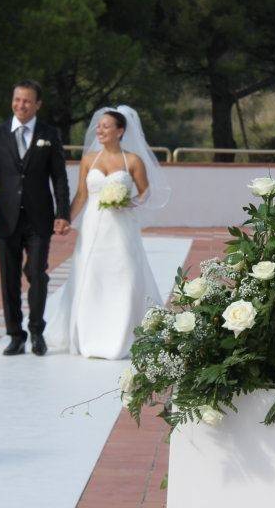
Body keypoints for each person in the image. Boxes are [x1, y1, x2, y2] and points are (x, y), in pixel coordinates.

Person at [44, 105, 171, 360]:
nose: (99, 130)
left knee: (125, 275)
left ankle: (122, 335)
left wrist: (129, 202)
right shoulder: (90, 160)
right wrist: (65, 219)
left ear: (120, 130)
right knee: (90, 275)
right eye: (98, 126)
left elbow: (146, 192)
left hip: (120, 228)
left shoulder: (132, 160)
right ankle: (90, 334)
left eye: (106, 126)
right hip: (92, 228)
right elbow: (81, 194)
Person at [0, 80, 71, 357]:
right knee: (9, 279)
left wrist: (62, 213)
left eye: (27, 101)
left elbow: (59, 178)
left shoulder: (49, 134)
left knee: (38, 274)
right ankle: (15, 335)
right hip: (4, 218)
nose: (21, 105)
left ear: (38, 104)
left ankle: (37, 332)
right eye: (17, 100)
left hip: (39, 218)